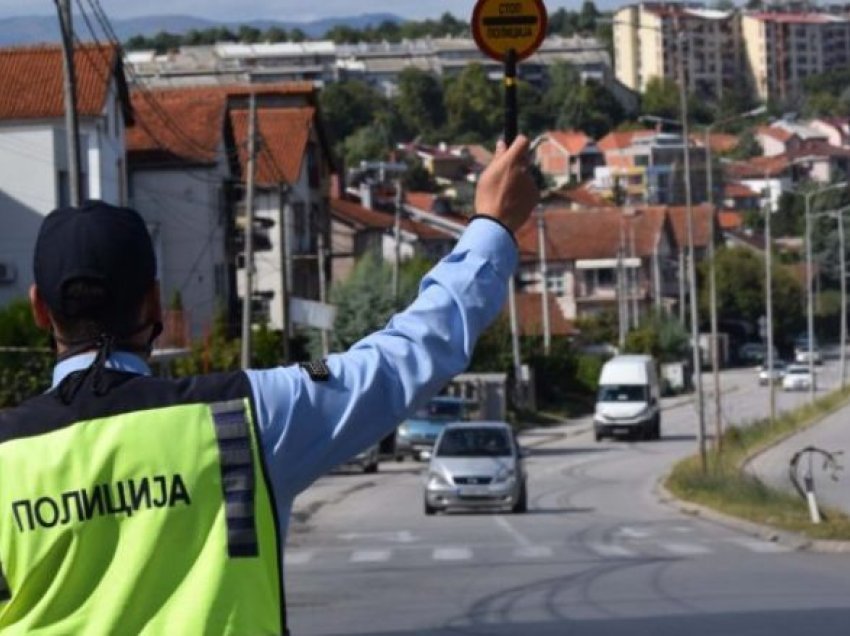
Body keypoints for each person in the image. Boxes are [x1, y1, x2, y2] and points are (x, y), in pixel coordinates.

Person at [0, 135, 538, 635]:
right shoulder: (242, 417)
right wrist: (491, 227)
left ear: (40, 310)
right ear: (153, 302)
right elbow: (403, 358)